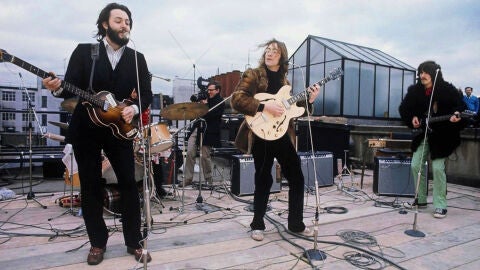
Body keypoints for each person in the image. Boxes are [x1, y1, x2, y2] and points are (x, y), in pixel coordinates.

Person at [42, 3, 152, 265]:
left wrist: (133, 109)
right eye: (118, 20)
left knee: (129, 184)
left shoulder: (137, 59)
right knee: (91, 186)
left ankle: (134, 242)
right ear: (105, 24)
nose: (124, 25)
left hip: (119, 130)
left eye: (127, 21)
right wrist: (55, 88)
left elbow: (145, 94)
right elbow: (68, 88)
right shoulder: (85, 52)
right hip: (87, 129)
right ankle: (97, 243)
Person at [230, 38, 320, 241]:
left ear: (282, 57)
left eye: (275, 51)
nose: (269, 53)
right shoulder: (253, 74)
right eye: (267, 50)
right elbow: (237, 99)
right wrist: (263, 107)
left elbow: (291, 112)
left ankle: (296, 224)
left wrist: (310, 101)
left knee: (297, 177)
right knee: (263, 178)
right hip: (260, 133)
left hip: (281, 133)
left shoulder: (285, 83)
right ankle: (257, 224)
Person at [399, 60, 466, 219]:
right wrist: (413, 117)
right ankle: (420, 200)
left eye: (425, 72)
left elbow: (460, 107)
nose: (422, 75)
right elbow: (404, 109)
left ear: (434, 73)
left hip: (442, 136)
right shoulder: (415, 91)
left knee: (437, 168)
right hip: (423, 134)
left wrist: (456, 116)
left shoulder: (446, 89)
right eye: (420, 72)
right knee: (415, 165)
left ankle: (441, 205)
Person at [184, 81, 225, 186]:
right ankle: (188, 178)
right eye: (208, 90)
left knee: (205, 156)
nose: (209, 92)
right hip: (197, 127)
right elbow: (196, 113)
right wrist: (198, 104)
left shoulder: (220, 101)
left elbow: (210, 115)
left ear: (217, 90)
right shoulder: (204, 98)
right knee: (189, 152)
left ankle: (208, 179)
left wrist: (206, 104)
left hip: (209, 131)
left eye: (211, 90)